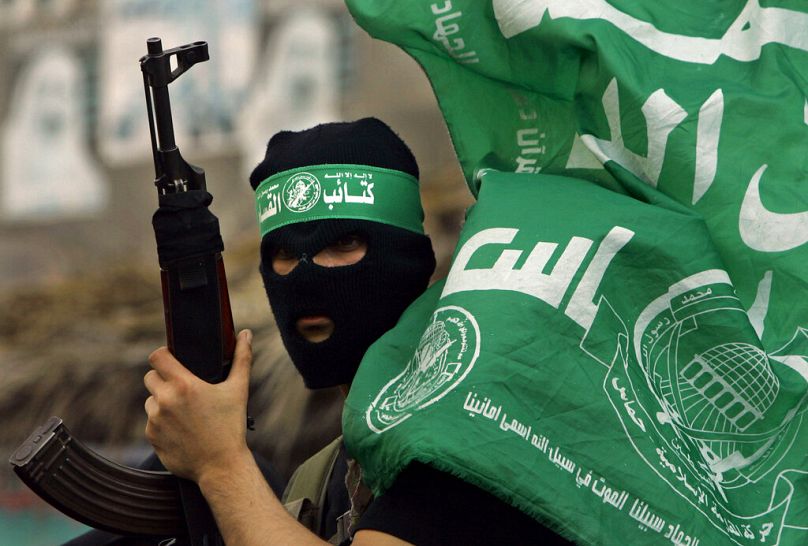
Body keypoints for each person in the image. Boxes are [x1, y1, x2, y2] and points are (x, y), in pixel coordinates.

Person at [144, 118, 570, 545]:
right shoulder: (318, 478)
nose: (307, 276)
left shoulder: (467, 426)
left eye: (344, 244)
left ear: (408, 260)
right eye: (286, 253)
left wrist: (220, 465)